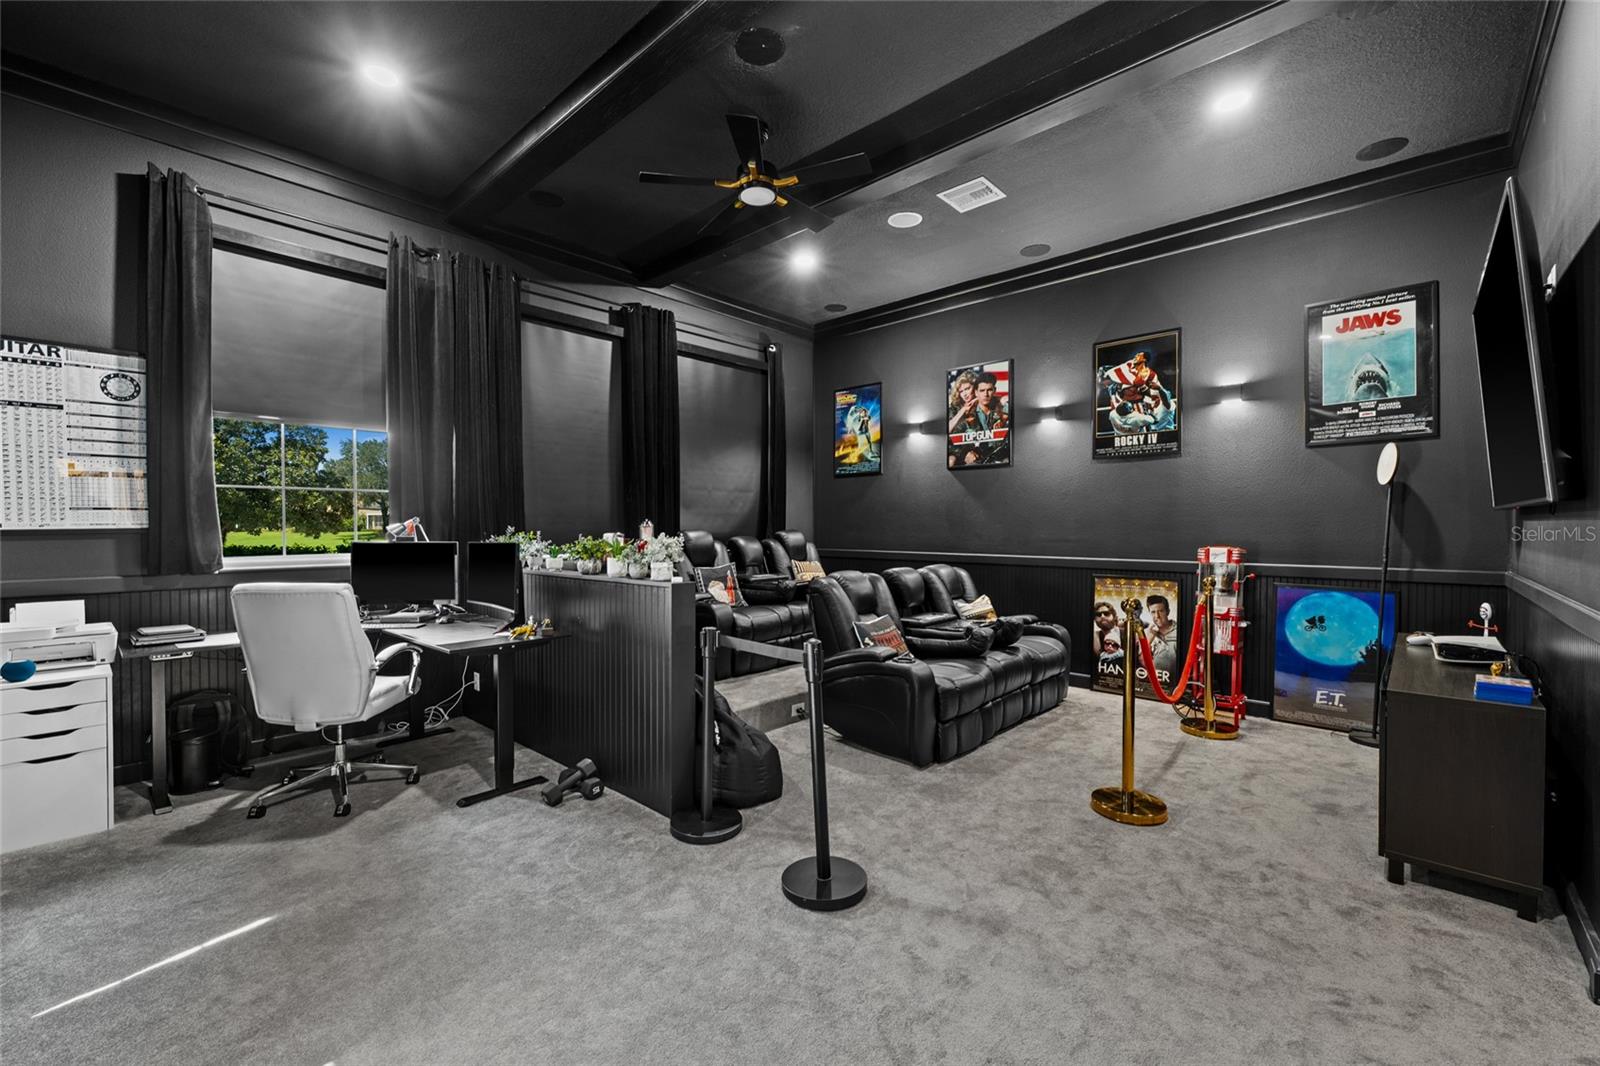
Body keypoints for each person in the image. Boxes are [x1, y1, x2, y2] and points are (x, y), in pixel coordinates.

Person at [1146, 594, 1177, 679]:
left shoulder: (1179, 630)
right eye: (1153, 612)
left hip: (1174, 681)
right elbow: (1141, 661)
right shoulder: (1147, 633)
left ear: (1168, 611)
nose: (1157, 616)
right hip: (1152, 681)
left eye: (1161, 611)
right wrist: (1148, 641)